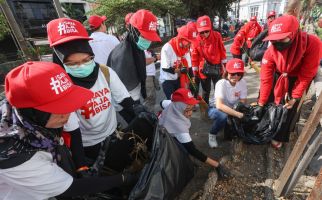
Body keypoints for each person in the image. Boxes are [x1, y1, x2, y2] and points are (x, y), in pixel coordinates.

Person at [0, 62, 136, 200]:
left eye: (68, 102)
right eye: (59, 108)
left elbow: (72, 134)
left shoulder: (26, 113)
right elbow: (70, 188)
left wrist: (81, 167)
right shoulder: (14, 155)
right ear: (34, 113)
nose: (70, 112)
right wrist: (122, 179)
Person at [47, 18, 146, 173]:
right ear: (61, 62)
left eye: (87, 60)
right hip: (88, 145)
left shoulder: (105, 72)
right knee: (107, 173)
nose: (81, 66)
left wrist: (138, 110)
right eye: (72, 64)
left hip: (113, 133)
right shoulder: (62, 89)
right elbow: (74, 132)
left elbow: (124, 99)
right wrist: (81, 165)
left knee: (124, 164)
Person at [256, 15, 321, 148]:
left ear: (294, 34)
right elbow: (266, 79)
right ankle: (264, 128)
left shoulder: (312, 43)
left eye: (282, 39)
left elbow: (306, 74)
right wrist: (261, 102)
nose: (278, 43)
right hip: (278, 76)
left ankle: (278, 135)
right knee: (266, 101)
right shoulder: (270, 51)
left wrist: (295, 96)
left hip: (296, 79)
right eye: (274, 41)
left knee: (287, 108)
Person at [159, 88, 230, 177]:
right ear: (179, 107)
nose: (190, 113)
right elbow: (193, 150)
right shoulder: (180, 129)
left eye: (192, 108)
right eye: (187, 110)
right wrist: (217, 165)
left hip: (163, 128)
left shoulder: (172, 104)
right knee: (184, 151)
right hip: (165, 140)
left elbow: (161, 103)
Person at [107, 9, 161, 104]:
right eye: (145, 36)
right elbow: (120, 94)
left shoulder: (135, 47)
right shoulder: (122, 55)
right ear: (132, 30)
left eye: (150, 37)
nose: (148, 41)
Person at [207, 58, 247, 148]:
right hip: (215, 108)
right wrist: (237, 114)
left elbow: (243, 101)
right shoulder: (221, 83)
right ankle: (212, 134)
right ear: (227, 72)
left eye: (239, 74)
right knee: (223, 116)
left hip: (232, 107)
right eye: (233, 73)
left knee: (246, 111)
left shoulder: (243, 82)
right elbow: (219, 105)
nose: (236, 76)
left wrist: (236, 111)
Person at [191, 15, 227, 105]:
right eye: (202, 32)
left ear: (210, 28)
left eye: (207, 31)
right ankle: (205, 109)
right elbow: (194, 56)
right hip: (203, 69)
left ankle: (219, 106)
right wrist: (194, 71)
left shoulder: (217, 35)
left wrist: (225, 66)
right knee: (205, 91)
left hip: (217, 67)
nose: (205, 34)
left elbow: (222, 50)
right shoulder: (196, 40)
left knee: (218, 88)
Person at [159, 22, 196, 99]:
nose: (189, 45)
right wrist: (180, 70)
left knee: (181, 101)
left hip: (178, 78)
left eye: (190, 43)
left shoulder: (186, 49)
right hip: (168, 80)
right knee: (172, 102)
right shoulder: (168, 47)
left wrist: (192, 80)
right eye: (188, 42)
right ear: (181, 39)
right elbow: (165, 68)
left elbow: (189, 66)